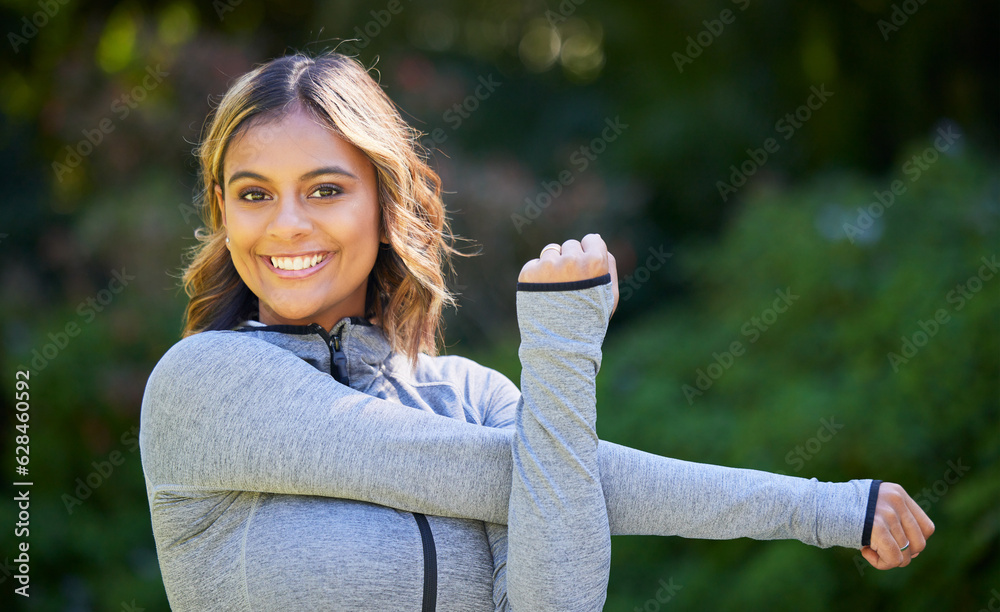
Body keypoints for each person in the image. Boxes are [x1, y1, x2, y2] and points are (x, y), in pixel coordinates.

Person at [139, 52, 934, 611]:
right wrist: (820, 509)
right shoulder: (204, 384)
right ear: (220, 210)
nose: (287, 225)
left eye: (324, 188)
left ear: (384, 205)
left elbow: (557, 600)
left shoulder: (471, 396)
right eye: (253, 194)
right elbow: (520, 476)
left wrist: (559, 356)